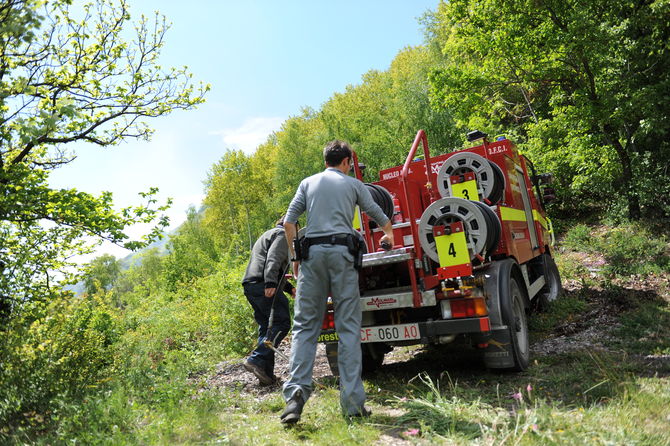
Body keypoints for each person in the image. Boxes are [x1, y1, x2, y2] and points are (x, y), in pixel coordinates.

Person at [280, 140, 394, 424]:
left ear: (325, 160)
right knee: (348, 329)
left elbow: (289, 222)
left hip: (312, 258)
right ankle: (353, 405)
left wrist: (294, 258)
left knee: (305, 327)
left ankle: (295, 397)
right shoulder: (354, 184)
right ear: (345, 162)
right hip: (343, 257)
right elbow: (378, 214)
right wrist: (388, 234)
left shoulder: (307, 183)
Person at [242, 217, 294, 386]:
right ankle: (256, 359)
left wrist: (289, 288)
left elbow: (272, 265)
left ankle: (265, 374)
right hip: (263, 284)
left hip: (251, 285)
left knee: (267, 328)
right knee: (282, 322)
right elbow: (273, 259)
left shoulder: (268, 234)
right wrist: (271, 283)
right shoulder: (281, 234)